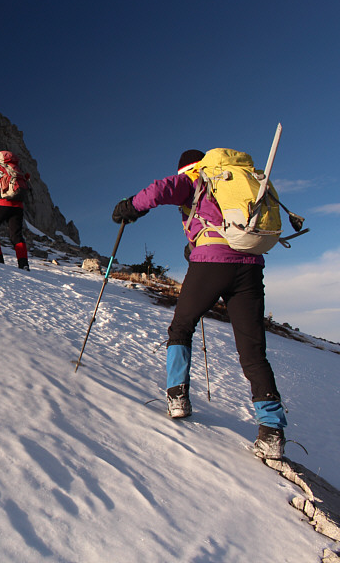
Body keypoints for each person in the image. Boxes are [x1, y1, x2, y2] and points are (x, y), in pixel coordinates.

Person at [111, 149, 288, 459]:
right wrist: (194, 245)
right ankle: (272, 431)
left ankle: (177, 397)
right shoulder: (232, 179)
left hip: (211, 264)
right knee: (252, 349)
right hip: (250, 266)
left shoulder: (194, 178)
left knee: (181, 327)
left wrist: (131, 206)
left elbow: (159, 190)